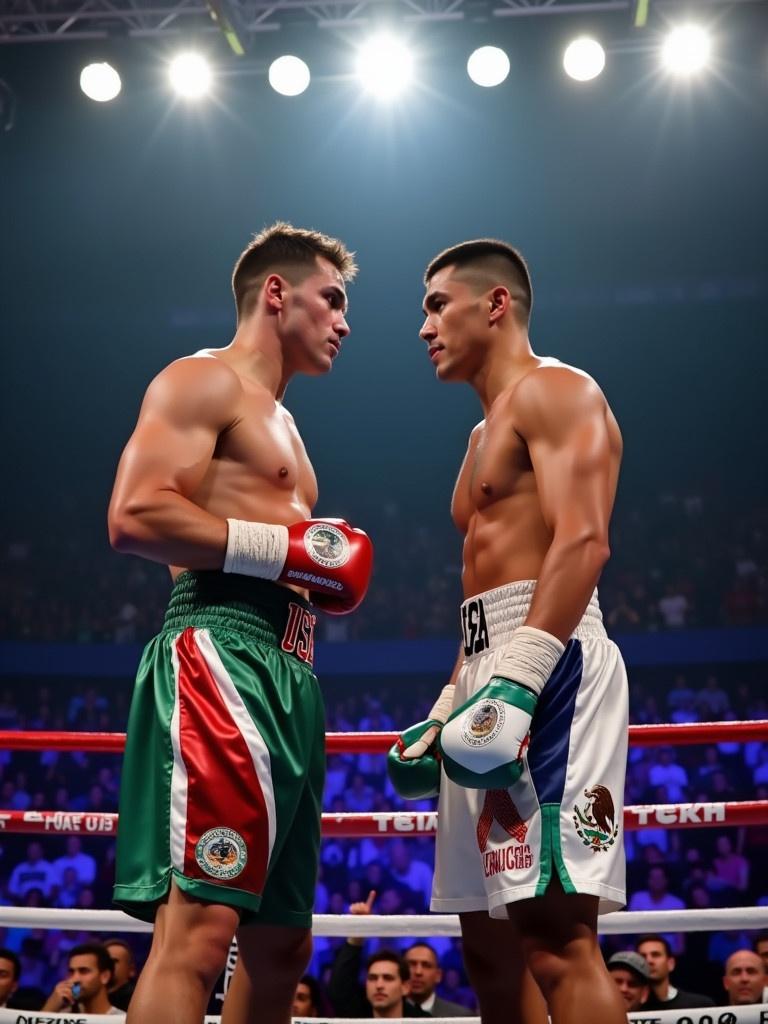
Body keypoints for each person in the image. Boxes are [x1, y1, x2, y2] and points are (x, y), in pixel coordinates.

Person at [107, 222, 373, 1024]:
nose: (344, 321)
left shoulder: (286, 424)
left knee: (282, 943)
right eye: (332, 299)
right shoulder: (201, 381)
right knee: (198, 931)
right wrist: (283, 546)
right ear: (276, 293)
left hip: (291, 670)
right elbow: (135, 514)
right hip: (220, 650)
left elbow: (276, 553)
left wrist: (300, 562)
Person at [388, 238, 629, 1024]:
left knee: (556, 939)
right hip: (486, 669)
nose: (423, 326)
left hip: (549, 660)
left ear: (495, 304)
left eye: (435, 304)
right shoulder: (477, 437)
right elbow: (482, 596)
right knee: (488, 945)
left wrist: (520, 678)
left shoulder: (560, 390)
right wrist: (447, 700)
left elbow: (584, 541)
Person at [41, 942, 124, 1016]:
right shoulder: (62, 1016)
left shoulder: (122, 1020)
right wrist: (49, 1010)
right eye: (71, 972)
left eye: (84, 971)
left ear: (105, 976)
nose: (74, 979)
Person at [636, 934, 714, 1010]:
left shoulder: (699, 1006)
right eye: (643, 956)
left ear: (671, 964)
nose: (649, 961)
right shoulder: (631, 1008)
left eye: (656, 955)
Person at [403, 942, 469, 1016]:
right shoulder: (388, 1015)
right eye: (412, 964)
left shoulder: (461, 1017)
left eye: (426, 965)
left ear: (438, 976)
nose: (418, 972)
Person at [104, 938, 137, 1011]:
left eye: (114, 961)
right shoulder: (91, 996)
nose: (108, 965)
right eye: (105, 961)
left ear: (131, 970)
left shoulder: (137, 999)